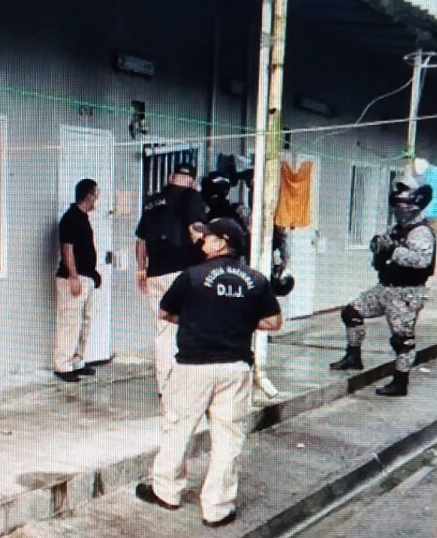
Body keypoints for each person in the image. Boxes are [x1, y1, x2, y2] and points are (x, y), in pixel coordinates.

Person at [135, 217, 282, 527]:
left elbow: (165, 311)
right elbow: (273, 322)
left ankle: (167, 492)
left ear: (222, 242)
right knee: (228, 438)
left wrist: (197, 319)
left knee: (179, 428)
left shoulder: (191, 276)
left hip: (194, 366)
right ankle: (217, 509)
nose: (202, 242)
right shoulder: (256, 279)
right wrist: (238, 321)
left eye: (208, 237)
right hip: (235, 367)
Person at [329, 178, 435, 397]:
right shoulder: (399, 227)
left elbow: (421, 261)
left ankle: (400, 382)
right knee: (351, 312)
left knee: (402, 339)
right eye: (396, 203)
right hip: (386, 287)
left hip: (407, 291)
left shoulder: (421, 231)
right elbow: (381, 243)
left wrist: (393, 250)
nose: (398, 208)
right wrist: (380, 245)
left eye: (403, 203)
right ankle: (353, 357)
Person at [135, 162, 206, 393]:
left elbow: (141, 240)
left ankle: (164, 384)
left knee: (163, 330)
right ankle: (181, 384)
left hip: (155, 272)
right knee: (187, 327)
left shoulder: (153, 201)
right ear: (193, 180)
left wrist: (141, 270)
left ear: (170, 176)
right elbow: (195, 230)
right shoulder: (191, 196)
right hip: (181, 271)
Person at [53, 178, 102, 383]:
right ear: (88, 195)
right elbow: (67, 249)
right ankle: (62, 365)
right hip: (73, 278)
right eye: (96, 195)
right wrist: (73, 276)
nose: (97, 200)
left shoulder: (82, 218)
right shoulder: (71, 218)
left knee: (84, 321)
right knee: (70, 322)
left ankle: (77, 360)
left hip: (86, 277)